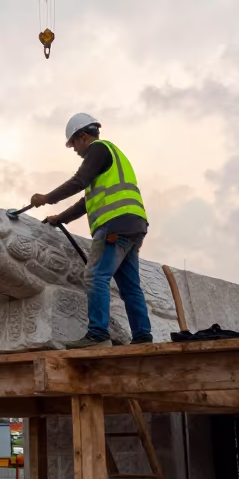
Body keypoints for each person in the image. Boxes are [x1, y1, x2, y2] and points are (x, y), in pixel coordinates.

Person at [29, 113, 153, 348]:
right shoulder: (112, 157)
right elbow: (86, 202)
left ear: (83, 136)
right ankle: (143, 336)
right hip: (134, 225)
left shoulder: (97, 149)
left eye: (73, 143)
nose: (74, 150)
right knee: (129, 286)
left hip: (114, 225)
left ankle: (97, 333)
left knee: (96, 276)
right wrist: (61, 218)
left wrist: (46, 198)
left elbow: (78, 181)